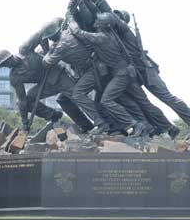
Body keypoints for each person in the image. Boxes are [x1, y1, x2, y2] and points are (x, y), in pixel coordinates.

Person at [83, 0, 190, 131]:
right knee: (142, 103)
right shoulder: (113, 34)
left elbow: (108, 14)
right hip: (133, 72)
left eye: (117, 16)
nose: (113, 17)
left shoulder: (125, 31)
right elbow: (101, 15)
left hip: (146, 70)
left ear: (121, 21)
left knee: (165, 97)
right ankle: (163, 128)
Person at [67, 11, 178, 139]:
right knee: (140, 103)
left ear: (101, 25)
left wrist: (70, 18)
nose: (95, 21)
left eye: (98, 21)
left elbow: (78, 33)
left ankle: (134, 125)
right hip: (125, 73)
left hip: (122, 74)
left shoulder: (101, 37)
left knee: (107, 100)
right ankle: (166, 127)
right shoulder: (111, 34)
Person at [0, 48, 93, 133]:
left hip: (59, 76)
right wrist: (25, 122)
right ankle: (54, 115)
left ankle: (102, 122)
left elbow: (42, 38)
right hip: (46, 85)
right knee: (28, 100)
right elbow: (22, 100)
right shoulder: (15, 77)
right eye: (4, 65)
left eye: (6, 62)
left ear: (10, 57)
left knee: (78, 97)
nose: (7, 65)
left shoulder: (26, 52)